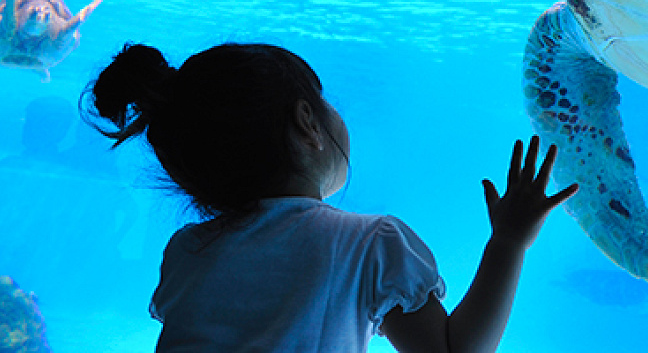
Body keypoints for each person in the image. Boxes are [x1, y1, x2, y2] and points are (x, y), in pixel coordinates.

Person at [83, 42, 578, 353]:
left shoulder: (187, 253)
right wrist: (509, 242)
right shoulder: (370, 244)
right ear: (307, 124)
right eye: (324, 101)